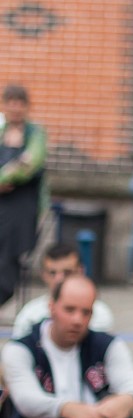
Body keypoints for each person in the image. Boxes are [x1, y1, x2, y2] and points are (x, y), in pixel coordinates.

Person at [1, 274, 133, 418]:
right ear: (51, 307)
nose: (77, 320)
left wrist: (126, 400)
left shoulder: (108, 345)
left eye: (86, 312)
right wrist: (67, 409)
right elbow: (27, 399)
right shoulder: (20, 349)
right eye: (69, 310)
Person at [0, 84, 47, 309]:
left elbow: (29, 164)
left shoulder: (34, 134)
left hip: (21, 207)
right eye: (11, 103)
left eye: (20, 104)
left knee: (9, 256)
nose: (15, 108)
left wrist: (5, 177)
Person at [11, 243, 114, 340]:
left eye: (67, 272)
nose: (59, 279)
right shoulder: (29, 315)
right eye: (52, 273)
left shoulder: (100, 314)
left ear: (81, 271)